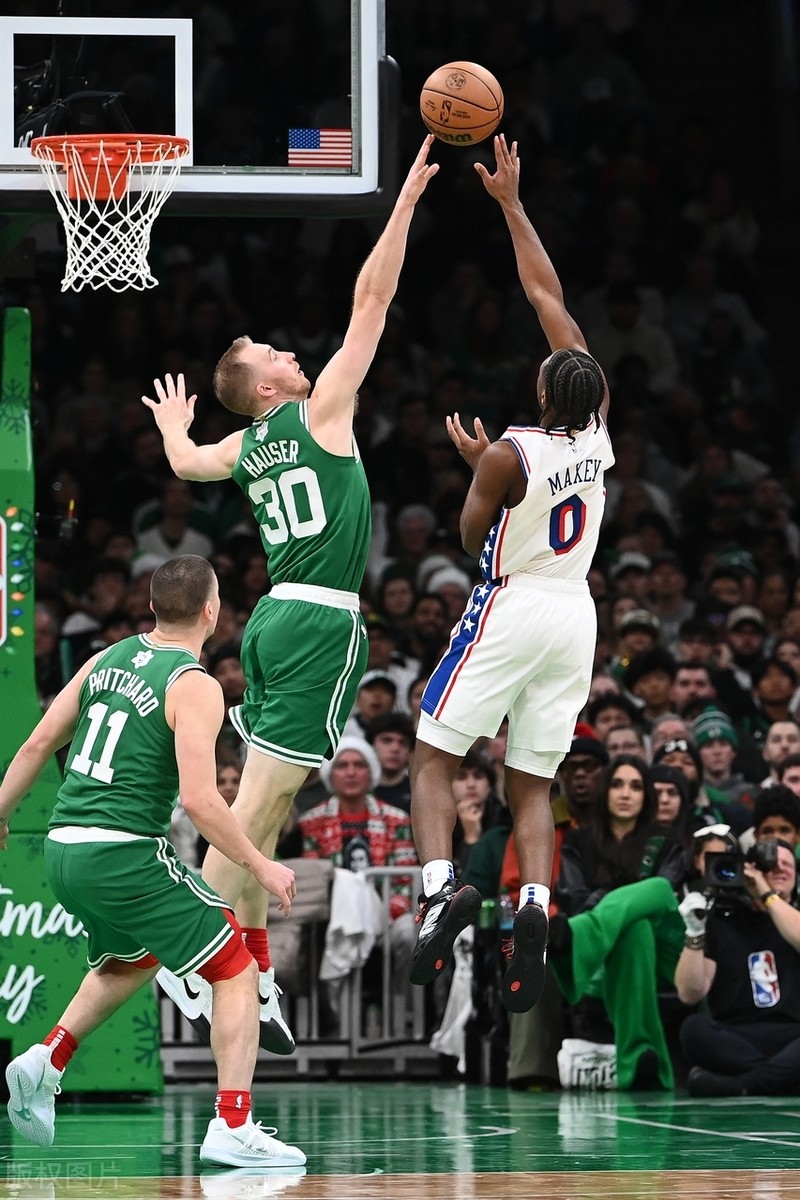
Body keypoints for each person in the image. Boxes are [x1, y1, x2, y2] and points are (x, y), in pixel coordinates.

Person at [141, 139, 439, 1049]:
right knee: (254, 815)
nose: (290, 351)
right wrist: (403, 206)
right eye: (274, 351)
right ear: (268, 385)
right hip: (317, 622)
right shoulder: (321, 413)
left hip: (269, 620)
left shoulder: (245, 447)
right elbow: (372, 302)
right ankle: (191, 949)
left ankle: (255, 972)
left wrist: (173, 429)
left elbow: (188, 463)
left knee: (263, 814)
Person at [0, 556, 303, 1168]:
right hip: (124, 852)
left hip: (63, 849)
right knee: (237, 968)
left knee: (135, 957)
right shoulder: (195, 684)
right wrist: (260, 864)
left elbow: (36, 743)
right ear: (212, 611)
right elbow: (200, 800)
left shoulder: (105, 659)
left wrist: (1, 812)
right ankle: (232, 1125)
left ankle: (47, 1059)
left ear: (152, 607)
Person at [409, 135, 614, 1017]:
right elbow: (548, 297)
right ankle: (535, 904)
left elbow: (468, 537)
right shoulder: (600, 428)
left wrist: (479, 471)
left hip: (515, 602)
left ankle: (438, 891)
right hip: (577, 614)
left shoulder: (509, 451)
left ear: (540, 394)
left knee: (432, 756)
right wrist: (514, 204)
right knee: (530, 777)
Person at [676, 837, 800, 1096]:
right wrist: (694, 933)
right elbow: (690, 994)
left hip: (794, 1036)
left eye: (788, 864)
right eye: (771, 864)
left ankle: (740, 1085)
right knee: (693, 1028)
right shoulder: (721, 921)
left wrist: (767, 894)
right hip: (738, 1038)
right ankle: (782, 1079)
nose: (780, 869)